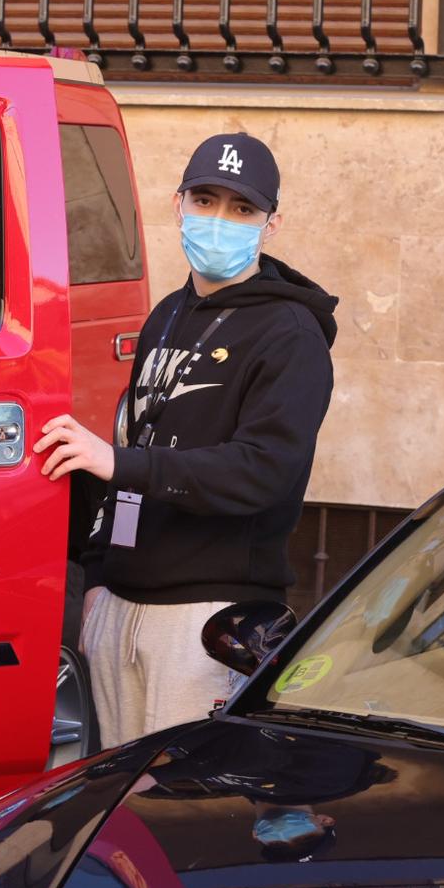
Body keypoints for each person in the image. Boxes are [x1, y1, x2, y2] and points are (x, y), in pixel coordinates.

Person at [34, 131, 337, 749]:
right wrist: (97, 578)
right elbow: (137, 434)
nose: (218, 220)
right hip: (119, 607)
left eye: (241, 209)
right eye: (204, 200)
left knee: (180, 815)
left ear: (270, 225)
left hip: (206, 622)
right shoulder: (166, 313)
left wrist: (119, 464)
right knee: (122, 825)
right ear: (177, 205)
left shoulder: (291, 334)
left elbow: (263, 471)